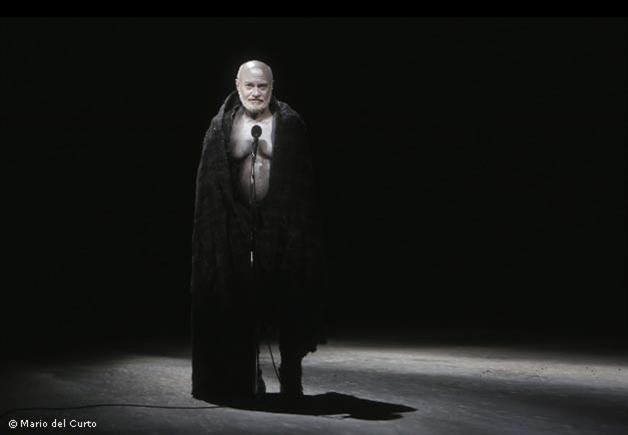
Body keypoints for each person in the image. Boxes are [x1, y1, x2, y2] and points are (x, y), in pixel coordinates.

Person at [190, 60, 326, 401]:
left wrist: (297, 229)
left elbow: (303, 182)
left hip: (281, 226)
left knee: (289, 298)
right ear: (237, 85)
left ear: (272, 87)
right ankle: (249, 375)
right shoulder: (221, 126)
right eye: (249, 86)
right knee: (238, 302)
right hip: (236, 227)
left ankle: (291, 373)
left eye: (262, 86)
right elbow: (211, 183)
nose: (255, 93)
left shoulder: (289, 125)